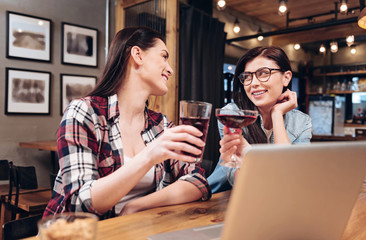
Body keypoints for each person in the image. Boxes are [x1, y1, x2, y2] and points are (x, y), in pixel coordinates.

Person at [44, 27, 211, 219]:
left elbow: (198, 181)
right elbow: (79, 204)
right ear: (137, 55)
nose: (170, 69)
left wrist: (136, 205)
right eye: (164, 56)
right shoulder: (85, 112)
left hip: (133, 230)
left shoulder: (161, 125)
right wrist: (150, 154)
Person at [208, 46, 312, 193]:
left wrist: (277, 114)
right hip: (227, 199)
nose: (253, 83)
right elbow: (242, 182)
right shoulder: (233, 115)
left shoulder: (302, 122)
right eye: (247, 76)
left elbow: (292, 176)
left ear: (286, 77)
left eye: (263, 73)